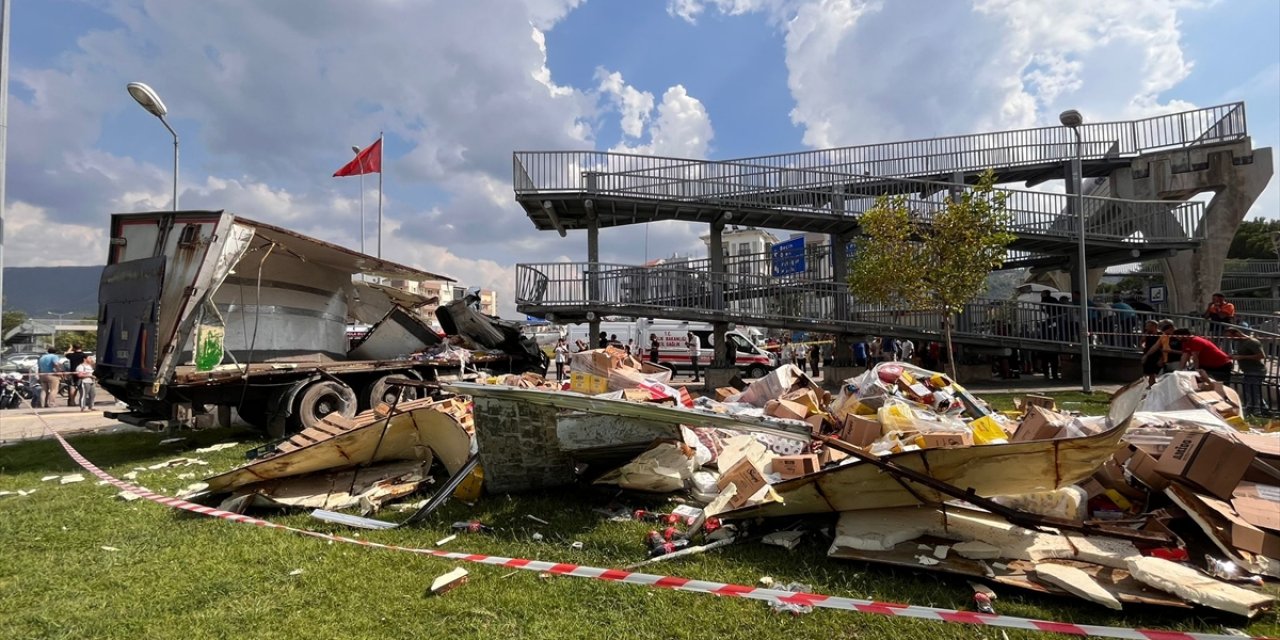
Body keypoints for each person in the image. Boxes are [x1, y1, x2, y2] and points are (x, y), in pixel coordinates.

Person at [1226, 325, 1267, 414]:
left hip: (1256, 370)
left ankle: (1257, 410)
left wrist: (1241, 357)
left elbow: (1261, 356)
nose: (1231, 339)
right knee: (1250, 390)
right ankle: (1262, 408)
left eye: (1231, 336)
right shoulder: (1240, 343)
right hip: (1247, 370)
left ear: (1237, 333)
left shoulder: (1252, 342)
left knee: (1254, 391)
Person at [1138, 320, 1166, 386]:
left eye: (1148, 326)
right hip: (1148, 354)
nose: (1146, 328)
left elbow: (1163, 346)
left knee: (1156, 373)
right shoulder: (1147, 333)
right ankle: (1149, 386)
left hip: (1157, 354)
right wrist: (1142, 347)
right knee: (1149, 372)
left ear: (1154, 326)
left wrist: (1161, 358)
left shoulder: (1160, 335)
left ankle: (1154, 386)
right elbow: (1142, 342)